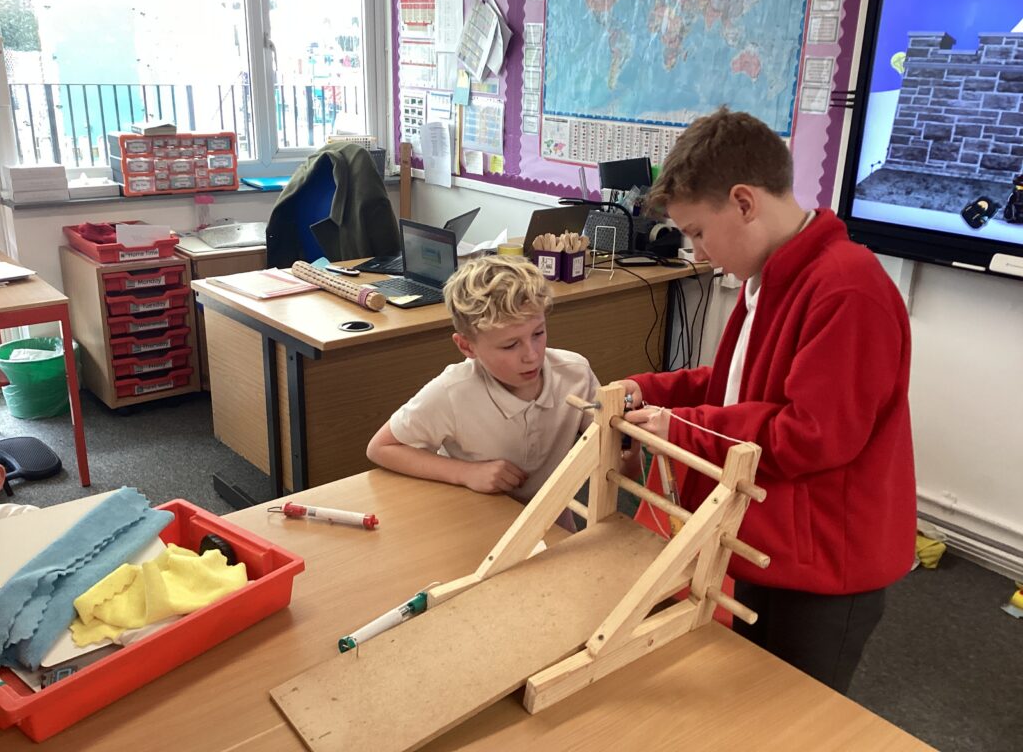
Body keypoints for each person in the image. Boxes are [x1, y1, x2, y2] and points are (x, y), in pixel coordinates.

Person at [618, 107, 916, 693]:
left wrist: (680, 427)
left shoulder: (847, 290)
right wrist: (649, 390)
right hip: (769, 535)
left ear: (744, 203)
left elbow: (810, 433)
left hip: (827, 565)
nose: (698, 253)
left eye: (700, 232)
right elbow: (736, 387)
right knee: (751, 690)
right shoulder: (770, 276)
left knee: (797, 713)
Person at [366, 255, 599, 529]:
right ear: (467, 347)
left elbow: (605, 435)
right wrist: (466, 473)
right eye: (510, 345)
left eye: (538, 333)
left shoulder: (575, 372)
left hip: (550, 521)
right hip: (474, 522)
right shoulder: (452, 391)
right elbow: (381, 448)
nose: (532, 355)